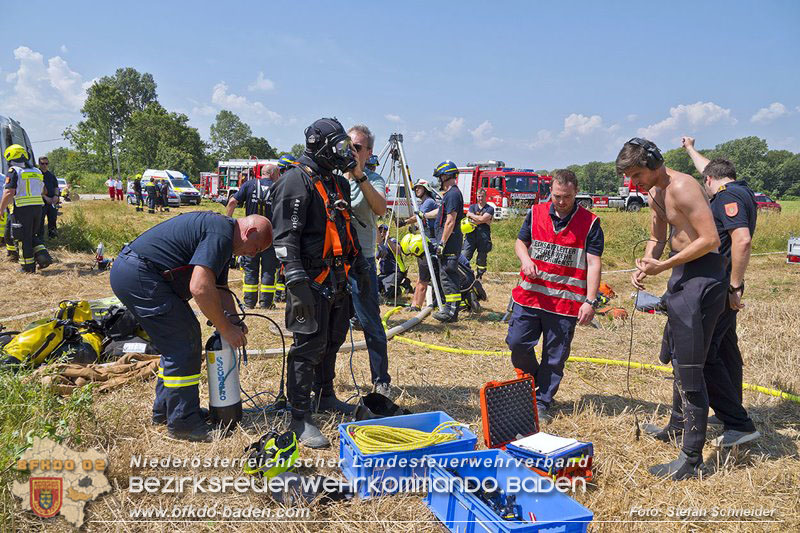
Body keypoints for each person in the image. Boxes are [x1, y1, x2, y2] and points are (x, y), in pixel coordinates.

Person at [110, 211, 272, 441]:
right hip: (140, 274)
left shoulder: (224, 239)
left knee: (176, 343)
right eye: (255, 248)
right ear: (250, 231)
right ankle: (183, 422)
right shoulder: (221, 234)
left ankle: (166, 411)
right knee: (184, 341)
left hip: (136, 272)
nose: (252, 254)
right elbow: (200, 287)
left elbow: (219, 287)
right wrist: (225, 328)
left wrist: (234, 320)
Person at [617, 137, 725, 480]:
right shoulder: (654, 193)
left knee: (691, 367)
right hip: (681, 273)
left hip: (704, 276)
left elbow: (710, 240)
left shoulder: (684, 186)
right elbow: (658, 236)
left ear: (653, 162)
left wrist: (663, 267)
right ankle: (677, 426)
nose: (633, 183)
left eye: (636, 175)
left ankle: (692, 459)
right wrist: (649, 261)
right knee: (676, 354)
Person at [271, 117, 371, 449]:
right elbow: (285, 237)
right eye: (340, 147)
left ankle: (325, 396)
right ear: (320, 147)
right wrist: (297, 282)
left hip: (339, 278)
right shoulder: (294, 182)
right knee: (308, 347)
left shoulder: (336, 183)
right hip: (311, 280)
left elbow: (347, 231)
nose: (346, 154)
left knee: (332, 341)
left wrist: (360, 271)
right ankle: (299, 416)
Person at [505, 169, 603, 421]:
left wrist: (590, 301)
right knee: (517, 342)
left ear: (575, 193)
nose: (561, 202)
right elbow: (520, 242)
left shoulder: (590, 223)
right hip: (530, 297)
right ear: (550, 192)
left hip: (565, 304)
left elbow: (593, 263)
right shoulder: (535, 212)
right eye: (557, 196)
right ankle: (535, 382)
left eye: (567, 197)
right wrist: (525, 259)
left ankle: (541, 401)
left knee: (555, 355)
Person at [682, 136, 760, 447]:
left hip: (723, 287)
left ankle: (738, 423)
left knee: (706, 354)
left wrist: (734, 287)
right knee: (727, 348)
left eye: (706, 184)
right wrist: (689, 148)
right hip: (726, 285)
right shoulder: (740, 189)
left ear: (711, 181)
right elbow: (707, 169)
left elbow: (741, 240)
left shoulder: (728, 198)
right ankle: (732, 407)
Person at [345, 124, 391, 395]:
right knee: (332, 323)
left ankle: (381, 380)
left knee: (370, 321)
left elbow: (381, 208)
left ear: (369, 152)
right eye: (350, 146)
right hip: (335, 259)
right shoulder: (335, 178)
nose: (353, 150)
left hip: (361, 259)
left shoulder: (373, 179)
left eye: (358, 147)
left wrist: (359, 176)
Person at [226, 163, 281, 309]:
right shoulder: (279, 187)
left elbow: (232, 202)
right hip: (271, 236)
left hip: (249, 235)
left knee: (250, 268)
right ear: (274, 173)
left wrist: (228, 222)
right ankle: (266, 304)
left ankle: (249, 303)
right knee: (269, 269)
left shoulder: (249, 185)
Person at [0, 144, 53, 272]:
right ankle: (43, 256)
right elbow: (44, 190)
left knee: (22, 238)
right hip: (37, 209)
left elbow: (9, 192)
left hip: (22, 209)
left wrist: (1, 209)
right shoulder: (37, 171)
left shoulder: (14, 171)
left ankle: (27, 267)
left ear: (10, 157)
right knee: (31, 234)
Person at [430, 160, 465, 323]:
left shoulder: (452, 194)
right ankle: (449, 308)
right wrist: (423, 215)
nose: (439, 181)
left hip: (449, 243)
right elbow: (441, 212)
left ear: (446, 176)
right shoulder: (451, 195)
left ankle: (450, 312)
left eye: (440, 177)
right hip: (448, 242)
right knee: (446, 274)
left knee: (448, 275)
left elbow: (450, 220)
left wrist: (442, 243)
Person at [400, 180, 440, 311]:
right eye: (415, 188)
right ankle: (415, 304)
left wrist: (404, 222)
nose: (416, 190)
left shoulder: (428, 202)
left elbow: (417, 216)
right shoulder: (425, 202)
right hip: (424, 244)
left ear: (426, 189)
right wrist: (416, 228)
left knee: (424, 278)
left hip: (429, 245)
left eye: (419, 188)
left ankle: (416, 306)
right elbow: (424, 221)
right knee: (422, 276)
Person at [462, 188, 494, 279]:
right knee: (465, 255)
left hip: (483, 236)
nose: (480, 198)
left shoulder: (490, 208)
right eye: (478, 196)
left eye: (482, 196)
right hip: (470, 236)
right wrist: (481, 219)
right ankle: (464, 274)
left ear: (485, 197)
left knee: (482, 258)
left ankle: (479, 276)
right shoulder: (472, 207)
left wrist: (473, 218)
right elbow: (478, 218)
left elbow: (482, 219)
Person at [377, 225, 412, 300]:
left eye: (383, 231)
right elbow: (378, 257)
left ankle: (402, 286)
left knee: (389, 294)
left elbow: (398, 251)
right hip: (384, 274)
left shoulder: (393, 240)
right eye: (380, 232)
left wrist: (388, 239)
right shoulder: (380, 244)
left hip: (396, 271)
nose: (381, 233)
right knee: (375, 286)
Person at [38, 156, 59, 240]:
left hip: (52, 202)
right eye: (42, 163)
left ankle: (53, 237)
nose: (44, 165)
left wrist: (56, 196)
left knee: (53, 219)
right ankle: (40, 239)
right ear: (39, 164)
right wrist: (45, 197)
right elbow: (36, 189)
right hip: (41, 201)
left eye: (46, 163)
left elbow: (56, 187)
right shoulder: (37, 174)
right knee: (40, 221)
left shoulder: (51, 175)